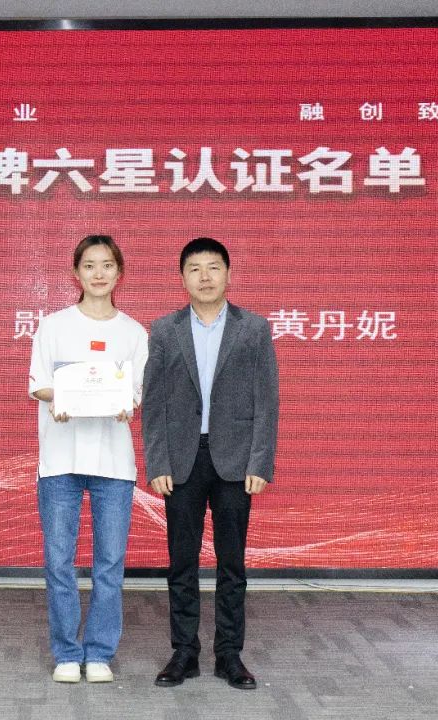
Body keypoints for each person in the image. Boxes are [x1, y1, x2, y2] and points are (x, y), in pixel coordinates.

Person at [142, 237, 279, 690]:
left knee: (232, 564)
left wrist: (260, 461)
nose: (205, 277)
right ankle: (184, 652)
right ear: (182, 278)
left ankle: (229, 655)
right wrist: (157, 460)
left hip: (236, 461)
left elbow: (267, 400)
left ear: (228, 274)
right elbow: (154, 403)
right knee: (181, 562)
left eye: (214, 267)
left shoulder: (253, 328)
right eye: (195, 269)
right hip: (181, 459)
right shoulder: (164, 330)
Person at [28, 234, 148, 684]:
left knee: (109, 563)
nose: (99, 273)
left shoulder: (134, 333)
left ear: (120, 272)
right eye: (90, 265)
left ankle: (98, 653)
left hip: (113, 464)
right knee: (59, 561)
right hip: (60, 460)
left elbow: (134, 393)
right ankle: (65, 652)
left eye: (107, 265)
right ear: (76, 273)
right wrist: (61, 396)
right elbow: (38, 383)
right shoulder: (53, 326)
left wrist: (125, 404)